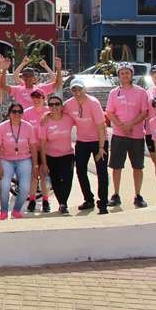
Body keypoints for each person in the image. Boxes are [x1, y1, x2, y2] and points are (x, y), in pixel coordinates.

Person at [106, 62, 151, 209]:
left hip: (136, 135)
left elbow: (144, 112)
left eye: (127, 72)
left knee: (138, 167)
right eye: (122, 73)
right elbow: (110, 113)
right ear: (118, 75)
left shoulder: (141, 92)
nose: (125, 75)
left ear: (132, 74)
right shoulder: (114, 93)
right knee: (116, 166)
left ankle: (138, 195)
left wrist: (130, 125)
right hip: (119, 135)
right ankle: (116, 194)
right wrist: (121, 126)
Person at [65, 79, 109, 214]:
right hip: (82, 141)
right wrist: (46, 116)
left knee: (101, 172)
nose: (77, 92)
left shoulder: (93, 103)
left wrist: (101, 148)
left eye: (79, 89)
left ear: (84, 89)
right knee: (81, 171)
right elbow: (57, 112)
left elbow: (101, 127)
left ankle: (103, 203)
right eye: (74, 90)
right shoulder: (69, 104)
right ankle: (89, 199)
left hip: (99, 141)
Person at [0, 102, 38, 220]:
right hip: (6, 160)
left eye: (19, 112)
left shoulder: (28, 127)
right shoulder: (2, 127)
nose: (17, 114)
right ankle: (4, 211)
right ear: (9, 114)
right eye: (14, 111)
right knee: (4, 185)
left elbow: (33, 146)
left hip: (24, 158)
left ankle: (16, 210)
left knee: (25, 188)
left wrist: (35, 165)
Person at [40, 94, 76, 214]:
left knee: (67, 179)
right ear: (48, 107)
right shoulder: (45, 121)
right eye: (51, 104)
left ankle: (63, 203)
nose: (54, 107)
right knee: (55, 182)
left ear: (61, 106)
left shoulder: (69, 118)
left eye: (57, 104)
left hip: (67, 155)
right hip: (51, 156)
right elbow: (42, 144)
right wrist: (44, 163)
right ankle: (62, 203)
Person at [22, 89, 50, 212]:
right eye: (34, 97)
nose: (36, 99)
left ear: (43, 98)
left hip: (46, 149)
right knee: (33, 175)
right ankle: (32, 200)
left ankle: (45, 200)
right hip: (31, 149)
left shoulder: (49, 111)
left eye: (39, 97)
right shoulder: (27, 113)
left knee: (44, 175)